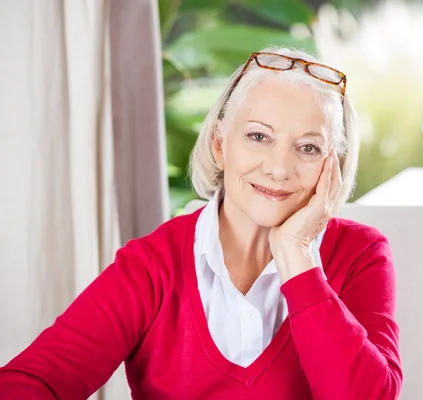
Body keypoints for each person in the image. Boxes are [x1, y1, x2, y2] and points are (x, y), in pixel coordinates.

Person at [0, 48, 402, 399]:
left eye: (309, 147)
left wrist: (296, 255)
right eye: (259, 137)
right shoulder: (153, 265)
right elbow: (32, 381)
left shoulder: (361, 255)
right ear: (219, 144)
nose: (279, 168)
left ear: (332, 167)